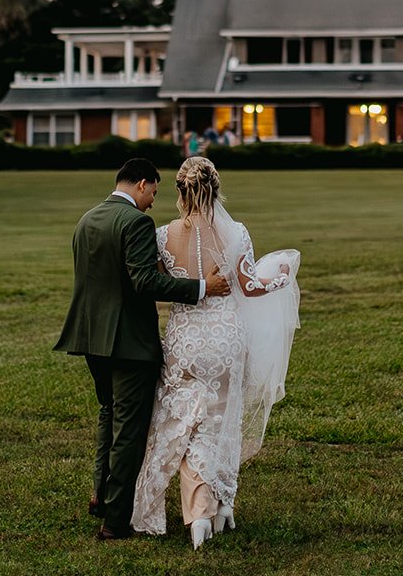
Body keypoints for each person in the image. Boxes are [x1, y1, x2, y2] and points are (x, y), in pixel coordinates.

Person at [55, 157, 231, 541]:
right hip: (129, 344)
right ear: (141, 184)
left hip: (90, 338)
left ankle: (101, 496)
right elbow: (144, 282)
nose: (154, 200)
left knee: (109, 415)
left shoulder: (88, 219)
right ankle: (116, 523)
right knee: (130, 431)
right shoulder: (136, 222)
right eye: (154, 190)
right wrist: (203, 288)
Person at [131, 156, 300, 548]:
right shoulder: (237, 233)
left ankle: (200, 513)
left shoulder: (162, 235)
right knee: (221, 423)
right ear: (216, 189)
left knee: (186, 425)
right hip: (226, 340)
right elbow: (251, 287)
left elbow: (159, 286)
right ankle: (220, 507)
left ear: (180, 191)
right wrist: (281, 279)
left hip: (185, 341)